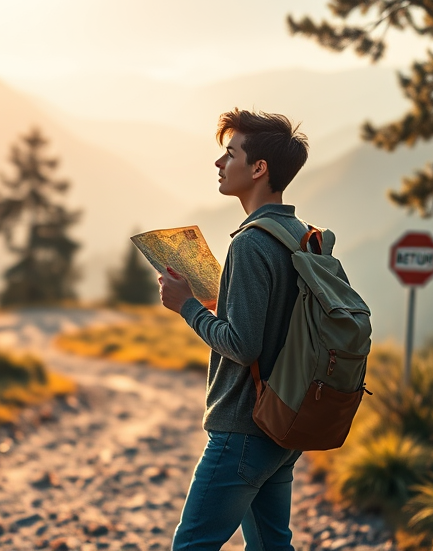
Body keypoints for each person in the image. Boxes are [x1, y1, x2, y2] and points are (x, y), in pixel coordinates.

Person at [158, 108, 310, 551]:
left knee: (192, 546)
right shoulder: (298, 235)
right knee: (270, 547)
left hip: (242, 428)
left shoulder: (249, 243)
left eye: (230, 154)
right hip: (281, 425)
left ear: (258, 168)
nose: (219, 164)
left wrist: (186, 306)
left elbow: (242, 345)